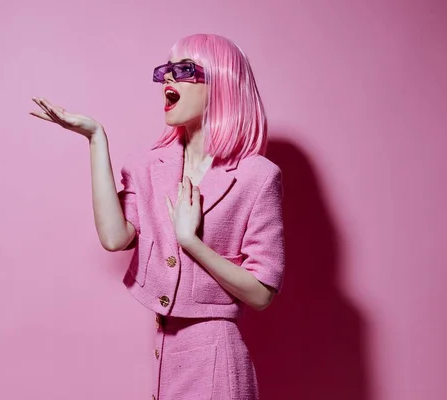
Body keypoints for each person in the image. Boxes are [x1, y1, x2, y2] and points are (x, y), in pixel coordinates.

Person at [30, 33, 285, 400]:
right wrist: (96, 139)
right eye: (166, 69)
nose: (168, 78)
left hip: (217, 359)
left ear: (222, 83)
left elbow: (261, 294)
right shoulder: (149, 165)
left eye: (184, 70)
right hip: (165, 351)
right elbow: (115, 238)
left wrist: (191, 242)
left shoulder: (257, 177)